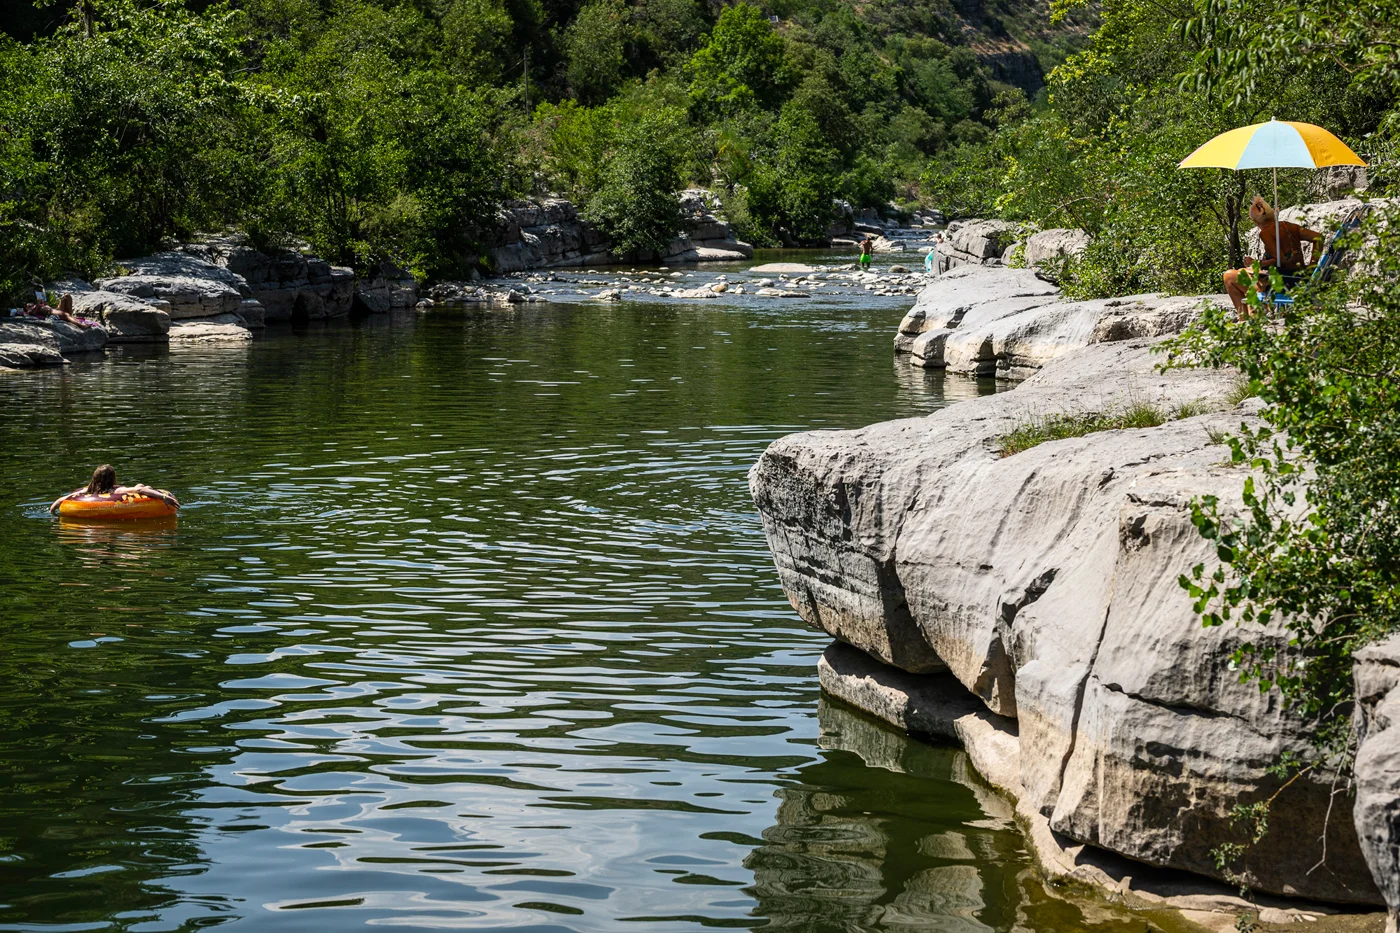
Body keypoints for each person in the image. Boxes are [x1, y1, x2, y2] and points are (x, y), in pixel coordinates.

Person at [1223, 196, 1322, 314]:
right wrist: (1312, 265)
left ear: (1256, 222)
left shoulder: (1266, 233)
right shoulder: (1290, 226)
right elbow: (1319, 238)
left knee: (1229, 276)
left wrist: (1257, 263)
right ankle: (1247, 317)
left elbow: (1281, 259)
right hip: (1299, 275)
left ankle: (1245, 319)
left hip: (1284, 279)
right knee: (1242, 271)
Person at [49, 464, 181, 513]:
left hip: (94, 503)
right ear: (113, 478)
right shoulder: (117, 491)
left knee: (139, 486)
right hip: (123, 494)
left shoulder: (87, 491)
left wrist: (52, 514)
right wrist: (164, 497)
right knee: (140, 486)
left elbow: (60, 500)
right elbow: (140, 491)